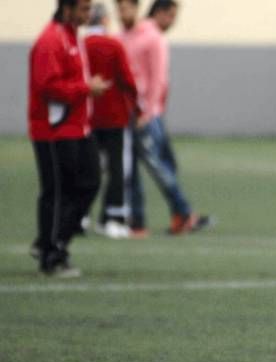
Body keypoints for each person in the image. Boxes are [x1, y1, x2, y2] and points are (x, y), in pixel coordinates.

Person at [29, 0, 110, 276]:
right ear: (67, 10)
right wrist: (86, 88)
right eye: (84, 9)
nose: (89, 14)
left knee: (89, 182)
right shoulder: (51, 41)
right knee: (58, 192)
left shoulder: (73, 36)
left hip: (78, 127)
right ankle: (50, 255)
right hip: (54, 129)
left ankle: (53, 240)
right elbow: (47, 86)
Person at [116, 0, 210, 236]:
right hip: (143, 113)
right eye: (170, 16)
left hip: (145, 113)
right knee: (155, 167)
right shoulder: (142, 37)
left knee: (155, 166)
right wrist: (148, 113)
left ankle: (156, 217)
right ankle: (180, 213)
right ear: (158, 13)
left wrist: (148, 112)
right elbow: (155, 79)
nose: (172, 22)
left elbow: (155, 79)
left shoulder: (143, 35)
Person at [85, 2, 138, 239]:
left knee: (87, 168)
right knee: (116, 169)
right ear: (105, 20)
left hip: (87, 117)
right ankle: (113, 218)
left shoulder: (80, 45)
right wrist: (136, 106)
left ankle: (81, 216)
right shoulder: (114, 45)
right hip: (115, 116)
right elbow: (127, 80)